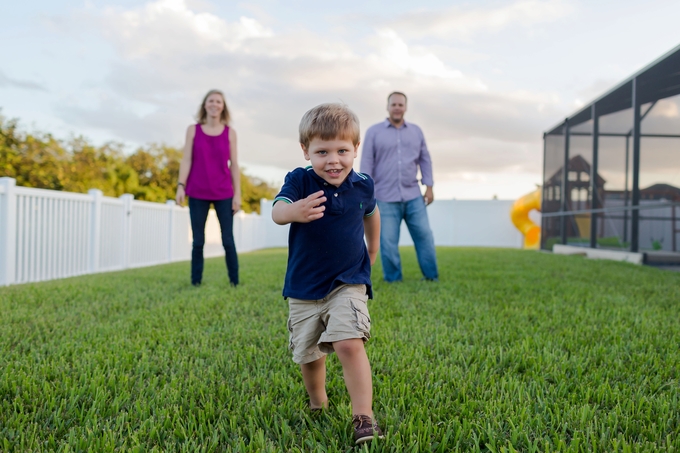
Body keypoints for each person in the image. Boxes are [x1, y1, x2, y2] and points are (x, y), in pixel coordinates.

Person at [272, 103, 383, 445]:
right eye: (322, 152)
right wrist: (295, 210)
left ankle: (363, 415)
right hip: (304, 287)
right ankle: (318, 400)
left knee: (349, 342)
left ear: (355, 150)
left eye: (342, 151)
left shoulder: (362, 185)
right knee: (309, 353)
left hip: (348, 282)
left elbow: (371, 212)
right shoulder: (300, 180)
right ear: (306, 151)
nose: (333, 160)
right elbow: (277, 212)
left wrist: (373, 247)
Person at [360, 91, 439, 282]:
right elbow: (366, 164)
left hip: (413, 195)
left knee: (425, 237)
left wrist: (429, 186)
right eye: (394, 104)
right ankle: (394, 279)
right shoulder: (373, 132)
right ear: (388, 107)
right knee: (387, 242)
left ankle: (431, 277)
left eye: (400, 105)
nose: (397, 108)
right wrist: (365, 194)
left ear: (405, 107)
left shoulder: (416, 131)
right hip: (384, 198)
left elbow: (425, 159)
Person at [176, 89, 240, 287]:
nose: (214, 104)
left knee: (228, 240)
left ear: (223, 106)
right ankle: (196, 282)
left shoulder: (230, 133)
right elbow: (186, 159)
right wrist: (180, 186)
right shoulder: (193, 130)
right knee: (198, 241)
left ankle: (234, 282)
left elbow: (234, 165)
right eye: (211, 101)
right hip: (197, 191)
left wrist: (238, 194)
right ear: (205, 104)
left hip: (224, 192)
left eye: (218, 101)